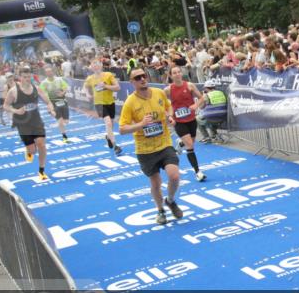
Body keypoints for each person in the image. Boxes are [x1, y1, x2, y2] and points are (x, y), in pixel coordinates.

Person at [118, 68, 183, 225]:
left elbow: (169, 107)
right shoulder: (130, 103)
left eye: (144, 76)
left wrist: (169, 116)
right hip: (145, 150)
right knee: (156, 183)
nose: (142, 79)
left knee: (174, 176)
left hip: (164, 143)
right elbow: (122, 129)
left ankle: (171, 200)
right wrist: (141, 124)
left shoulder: (158, 92)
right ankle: (160, 210)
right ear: (132, 82)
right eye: (137, 77)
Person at [2, 65, 56, 182]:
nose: (27, 79)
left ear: (31, 76)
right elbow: (5, 105)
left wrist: (50, 109)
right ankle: (29, 150)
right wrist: (16, 111)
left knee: (41, 144)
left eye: (29, 76)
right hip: (22, 123)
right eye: (24, 77)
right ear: (20, 77)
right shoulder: (14, 91)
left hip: (36, 121)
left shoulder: (37, 88)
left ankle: (41, 171)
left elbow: (48, 101)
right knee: (32, 150)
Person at [166, 66, 207, 182]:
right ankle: (197, 172)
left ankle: (180, 143)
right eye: (174, 73)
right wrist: (169, 116)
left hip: (191, 119)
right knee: (190, 145)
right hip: (178, 121)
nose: (178, 74)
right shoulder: (168, 89)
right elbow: (161, 104)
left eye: (179, 72)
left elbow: (201, 98)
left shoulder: (189, 85)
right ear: (171, 76)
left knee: (191, 141)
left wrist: (196, 105)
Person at [84, 59, 123, 155]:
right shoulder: (90, 78)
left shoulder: (108, 75)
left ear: (101, 66)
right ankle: (115, 146)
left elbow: (118, 87)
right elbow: (84, 87)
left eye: (97, 64)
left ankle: (108, 137)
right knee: (108, 123)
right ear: (91, 68)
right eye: (93, 65)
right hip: (99, 104)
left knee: (111, 124)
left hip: (110, 102)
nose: (96, 66)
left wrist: (106, 86)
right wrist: (87, 94)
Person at [39, 65, 71, 142]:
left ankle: (53, 113)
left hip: (63, 101)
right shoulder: (44, 83)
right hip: (53, 103)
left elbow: (66, 87)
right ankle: (64, 137)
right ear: (45, 74)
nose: (49, 73)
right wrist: (48, 103)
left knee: (66, 121)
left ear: (52, 72)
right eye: (47, 72)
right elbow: (41, 93)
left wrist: (63, 93)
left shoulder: (59, 80)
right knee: (60, 122)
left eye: (50, 71)